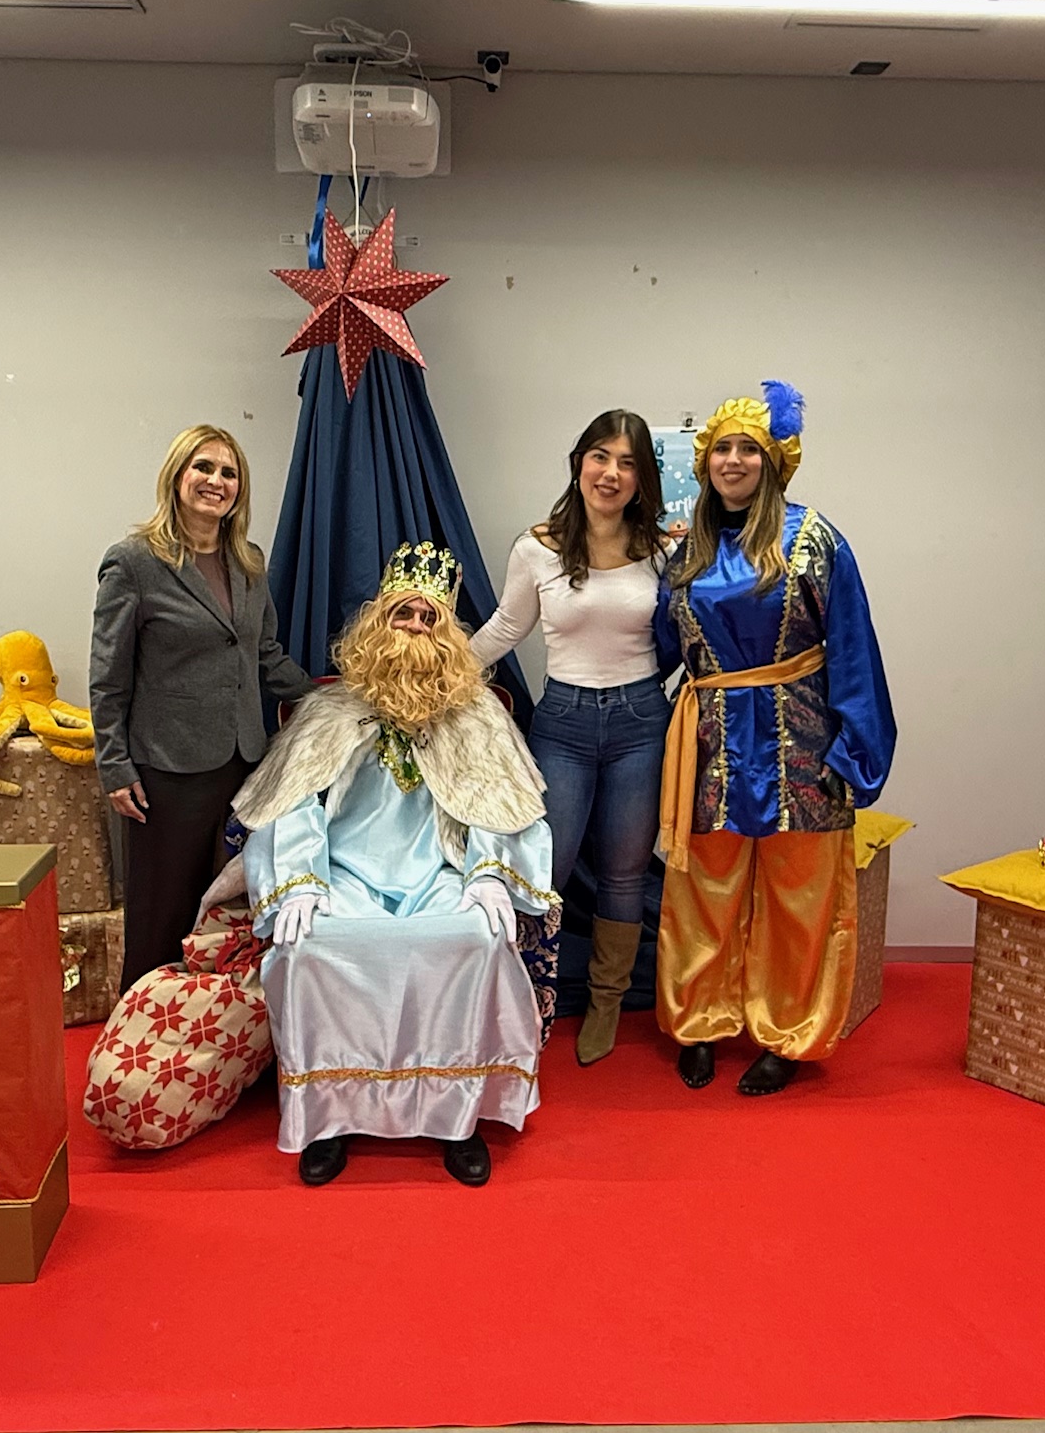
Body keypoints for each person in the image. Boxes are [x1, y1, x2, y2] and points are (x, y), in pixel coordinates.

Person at [232, 542, 557, 1187]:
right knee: (309, 948)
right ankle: (329, 1118)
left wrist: (490, 873)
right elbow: (293, 802)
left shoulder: (477, 714)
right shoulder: (330, 710)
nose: (413, 627)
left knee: (476, 941)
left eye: (428, 617)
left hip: (440, 873)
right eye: (402, 614)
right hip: (344, 876)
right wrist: (298, 880)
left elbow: (499, 806)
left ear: (447, 634)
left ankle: (457, 1117)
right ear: (377, 623)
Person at [653, 382, 895, 1096]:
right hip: (711, 745)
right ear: (705, 461)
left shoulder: (816, 540)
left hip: (802, 744)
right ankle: (701, 1023)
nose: (733, 461)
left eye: (748, 450)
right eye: (722, 449)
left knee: (800, 899)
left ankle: (787, 1031)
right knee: (703, 891)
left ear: (775, 460)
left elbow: (853, 648)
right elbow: (661, 647)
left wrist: (856, 753)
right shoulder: (686, 552)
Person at [472, 410, 671, 1066]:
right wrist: (432, 677)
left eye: (627, 463)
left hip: (642, 723)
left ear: (642, 479)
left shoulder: (661, 552)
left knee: (624, 872)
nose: (611, 473)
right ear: (579, 463)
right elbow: (506, 629)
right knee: (545, 869)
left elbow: (688, 635)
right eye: (601, 457)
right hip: (564, 722)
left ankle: (607, 1001)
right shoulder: (537, 548)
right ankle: (527, 994)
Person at [90, 424, 313, 991]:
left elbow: (263, 654)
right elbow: (108, 677)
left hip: (243, 765)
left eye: (229, 472)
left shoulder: (249, 561)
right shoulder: (133, 562)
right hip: (167, 771)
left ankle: (207, 1024)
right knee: (162, 913)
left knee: (226, 912)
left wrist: (329, 696)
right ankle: (142, 1022)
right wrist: (114, 766)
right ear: (177, 476)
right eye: (204, 467)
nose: (216, 481)